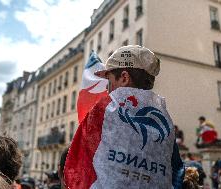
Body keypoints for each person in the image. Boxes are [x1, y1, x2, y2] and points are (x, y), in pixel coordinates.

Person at [64, 45, 184, 188]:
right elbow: (176, 174)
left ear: (124, 77)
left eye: (109, 81)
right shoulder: (166, 122)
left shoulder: (104, 109)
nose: (107, 88)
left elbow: (76, 167)